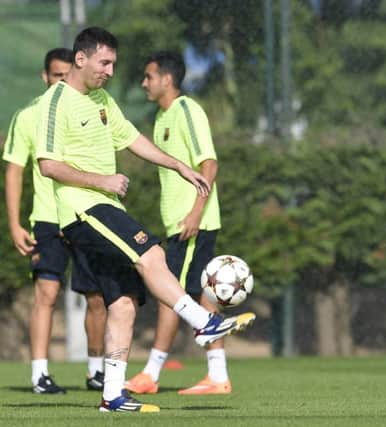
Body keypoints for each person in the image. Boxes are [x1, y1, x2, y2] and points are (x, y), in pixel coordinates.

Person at [34, 27, 255, 413]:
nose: (110, 70)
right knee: (150, 252)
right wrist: (102, 180)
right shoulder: (56, 102)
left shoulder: (102, 99)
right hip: (82, 210)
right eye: (104, 62)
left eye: (113, 64)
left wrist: (181, 167)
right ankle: (203, 322)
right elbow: (49, 165)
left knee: (123, 302)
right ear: (81, 59)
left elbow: (133, 139)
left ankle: (113, 395)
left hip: (105, 209)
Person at [125, 51, 230, 396]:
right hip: (181, 224)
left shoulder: (187, 110)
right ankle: (218, 375)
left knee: (170, 295)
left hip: (192, 223)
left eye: (148, 76)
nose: (144, 83)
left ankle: (151, 374)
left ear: (166, 80)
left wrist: (195, 213)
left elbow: (209, 164)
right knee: (199, 295)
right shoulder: (161, 116)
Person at [3, 48, 107, 394]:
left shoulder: (91, 108)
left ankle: (97, 372)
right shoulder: (29, 115)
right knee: (46, 293)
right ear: (45, 77)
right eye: (57, 75)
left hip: (85, 214)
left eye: (67, 74)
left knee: (96, 295)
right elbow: (15, 171)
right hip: (48, 219)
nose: (62, 80)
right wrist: (15, 223)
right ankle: (39, 375)